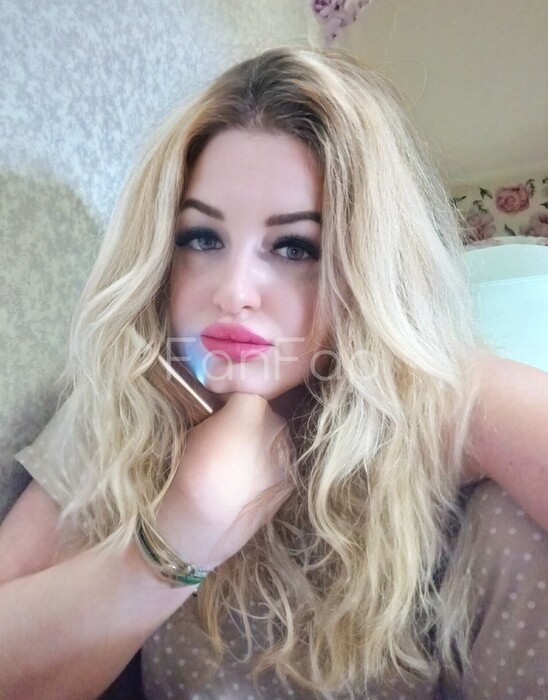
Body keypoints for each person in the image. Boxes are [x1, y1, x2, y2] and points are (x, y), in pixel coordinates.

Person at [0, 46, 546, 700]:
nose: (233, 291)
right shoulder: (129, 396)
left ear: (366, 271)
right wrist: (176, 538)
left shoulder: (433, 408)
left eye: (294, 247)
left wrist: (465, 400)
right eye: (202, 238)